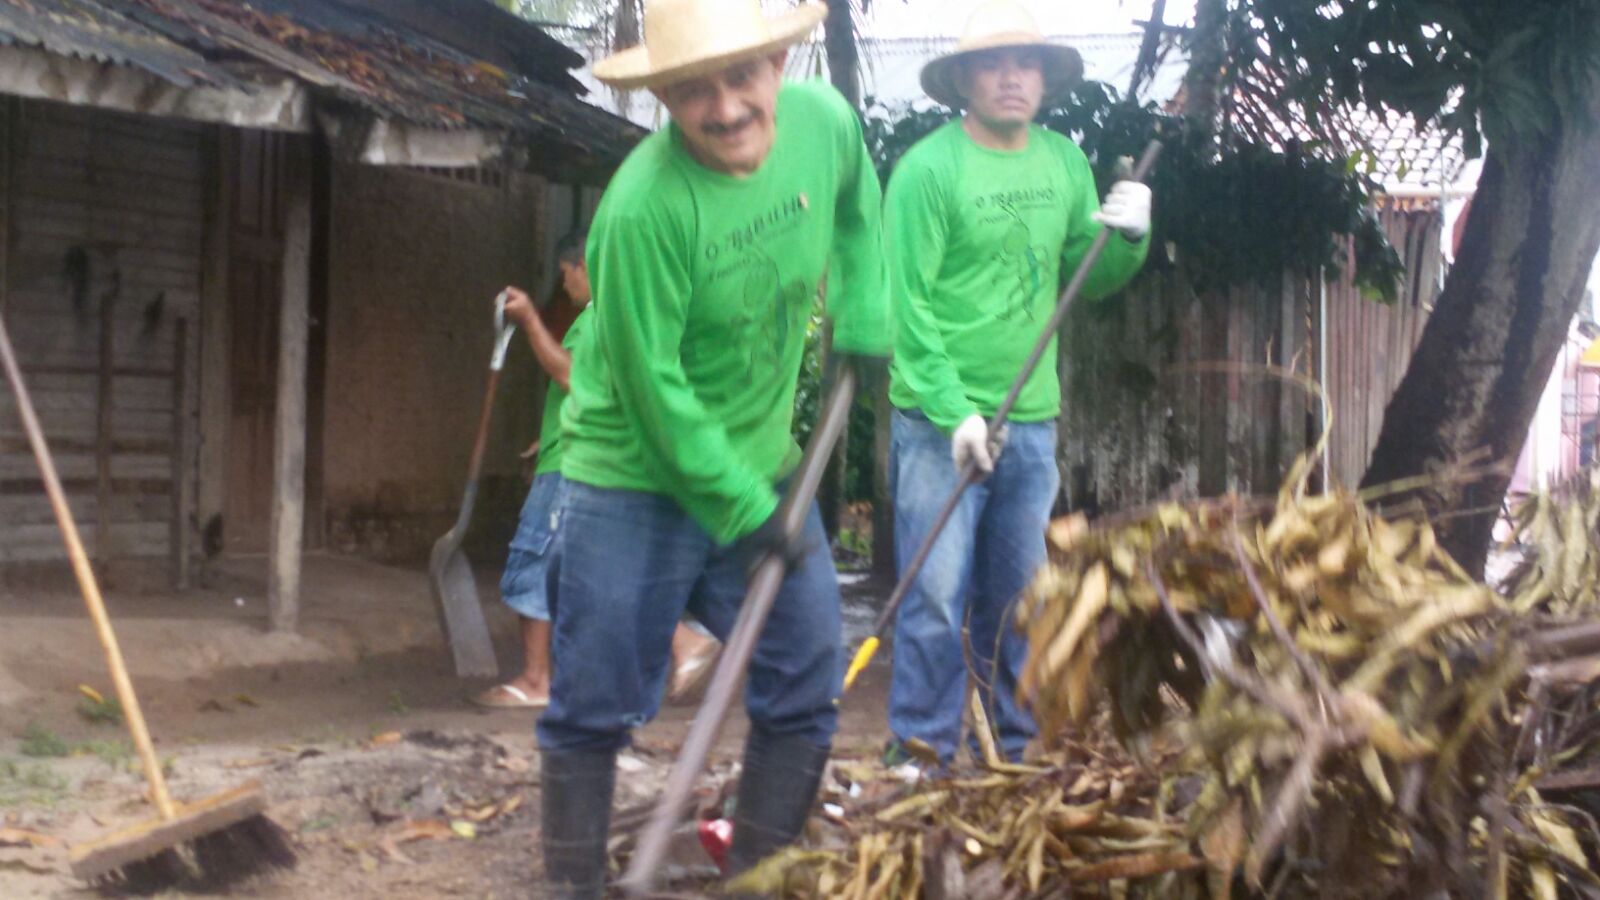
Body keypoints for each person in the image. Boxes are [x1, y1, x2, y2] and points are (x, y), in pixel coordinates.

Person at [534, 0, 890, 894]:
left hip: (765, 463)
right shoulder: (644, 211)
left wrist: (864, 304)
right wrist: (744, 508)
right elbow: (655, 393)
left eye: (742, 76)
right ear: (661, 96)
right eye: (693, 89)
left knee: (806, 681)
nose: (725, 107)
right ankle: (573, 886)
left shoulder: (825, 125)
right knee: (594, 704)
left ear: (780, 61)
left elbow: (854, 209)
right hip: (631, 481)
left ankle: (761, 875)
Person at [883, 0, 1152, 770]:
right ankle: (921, 749)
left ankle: (1019, 745)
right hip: (942, 426)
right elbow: (911, 310)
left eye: (1027, 63)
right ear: (965, 77)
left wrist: (1130, 237)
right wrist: (955, 411)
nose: (1012, 78)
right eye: (995, 64)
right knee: (934, 596)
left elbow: (1087, 280)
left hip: (1032, 421)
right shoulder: (928, 171)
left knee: (1017, 599)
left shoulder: (1063, 163)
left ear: (1044, 78)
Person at [471, 231, 719, 710]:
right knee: (603, 572)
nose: (565, 288)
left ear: (585, 266)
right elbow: (609, 392)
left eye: (567, 276)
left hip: (571, 466)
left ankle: (535, 681)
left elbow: (570, 375)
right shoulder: (629, 317)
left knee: (532, 563)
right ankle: (683, 642)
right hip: (587, 455)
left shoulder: (598, 317)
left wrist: (528, 322)